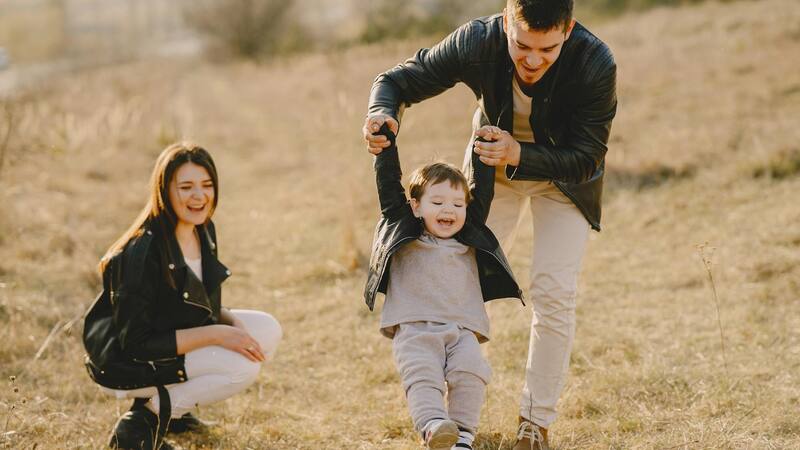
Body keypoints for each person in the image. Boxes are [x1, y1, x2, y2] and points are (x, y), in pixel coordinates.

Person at [362, 0, 617, 448]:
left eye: (549, 49)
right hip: (488, 174)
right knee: (455, 278)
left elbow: (588, 156)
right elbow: (398, 80)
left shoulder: (596, 62)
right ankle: (443, 415)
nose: (533, 60)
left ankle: (534, 424)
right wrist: (381, 113)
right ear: (505, 22)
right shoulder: (477, 41)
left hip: (565, 182)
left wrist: (520, 154)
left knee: (553, 292)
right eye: (521, 46)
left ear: (569, 30)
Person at [83, 143, 282, 449]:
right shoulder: (142, 252)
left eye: (207, 185)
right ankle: (142, 422)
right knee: (242, 368)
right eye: (186, 187)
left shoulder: (202, 229)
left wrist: (232, 326)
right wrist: (218, 334)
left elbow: (202, 303)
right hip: (127, 360)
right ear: (165, 191)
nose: (199, 196)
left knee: (267, 330)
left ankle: (177, 413)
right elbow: (136, 343)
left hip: (169, 337)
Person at [364, 124, 522, 449]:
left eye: (457, 204)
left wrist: (485, 141)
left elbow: (483, 188)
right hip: (415, 328)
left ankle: (462, 436)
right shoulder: (406, 230)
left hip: (463, 328)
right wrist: (385, 142)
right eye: (437, 202)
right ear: (416, 207)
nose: (448, 210)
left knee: (471, 373)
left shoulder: (469, 234)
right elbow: (388, 185)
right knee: (423, 377)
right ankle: (434, 426)